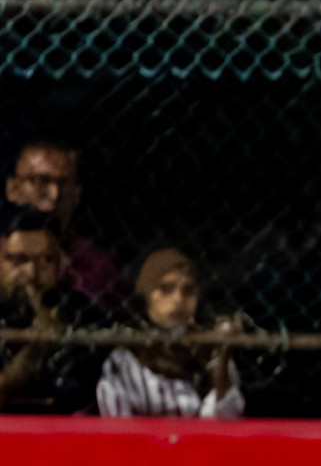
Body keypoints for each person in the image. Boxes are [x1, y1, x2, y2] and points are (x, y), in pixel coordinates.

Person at [96, 247, 244, 419]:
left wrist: (222, 365)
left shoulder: (211, 351)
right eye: (166, 289)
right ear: (146, 297)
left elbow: (228, 422)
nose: (179, 299)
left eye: (188, 290)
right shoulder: (126, 359)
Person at [0, 211, 106, 413]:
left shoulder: (80, 312)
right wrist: (38, 348)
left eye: (45, 261)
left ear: (59, 266)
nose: (31, 273)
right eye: (20, 260)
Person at [4, 141, 121, 310]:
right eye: (41, 181)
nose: (55, 194)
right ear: (13, 189)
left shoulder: (97, 264)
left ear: (77, 194)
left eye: (64, 183)